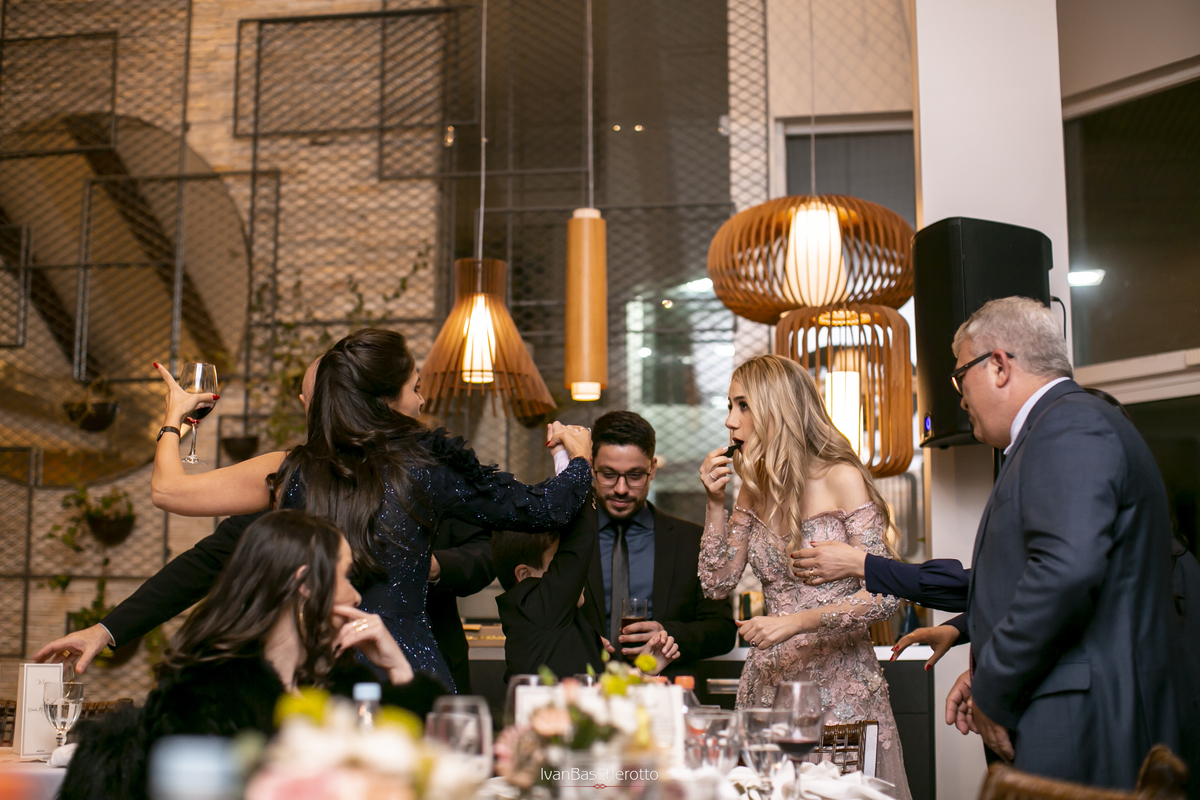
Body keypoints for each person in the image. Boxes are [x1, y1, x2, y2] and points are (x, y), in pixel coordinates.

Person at [38, 351, 498, 692]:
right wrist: (105, 631)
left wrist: (429, 566)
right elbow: (205, 562)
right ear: (308, 405)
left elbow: (484, 553)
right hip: (326, 684)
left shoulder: (434, 470)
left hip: (424, 671)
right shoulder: (291, 485)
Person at [945, 296, 1179, 788]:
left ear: (999, 365)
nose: (961, 398)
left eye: (960, 376)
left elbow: (1065, 569)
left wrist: (995, 684)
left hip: (1082, 724)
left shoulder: (1068, 424)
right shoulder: (1056, 427)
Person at [57, 510, 443, 800]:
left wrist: (395, 665)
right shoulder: (207, 696)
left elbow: (414, 766)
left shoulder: (339, 687)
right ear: (306, 583)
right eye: (345, 576)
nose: (356, 596)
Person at [698, 354, 911, 800]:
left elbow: (886, 595)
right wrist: (715, 503)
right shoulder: (753, 488)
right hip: (768, 692)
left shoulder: (842, 477)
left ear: (777, 407)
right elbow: (716, 583)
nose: (730, 420)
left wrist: (795, 622)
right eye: (730, 406)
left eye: (742, 405)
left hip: (840, 692)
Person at [573, 411, 736, 673]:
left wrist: (669, 634)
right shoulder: (567, 538)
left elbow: (723, 631)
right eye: (609, 474)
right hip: (583, 688)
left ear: (653, 469)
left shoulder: (692, 541)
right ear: (592, 468)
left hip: (665, 690)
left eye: (635, 475)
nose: (621, 489)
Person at [492, 509, 680, 683]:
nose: (578, 572)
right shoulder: (536, 611)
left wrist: (643, 672)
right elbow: (580, 535)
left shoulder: (570, 628)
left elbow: (594, 698)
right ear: (525, 575)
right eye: (562, 565)